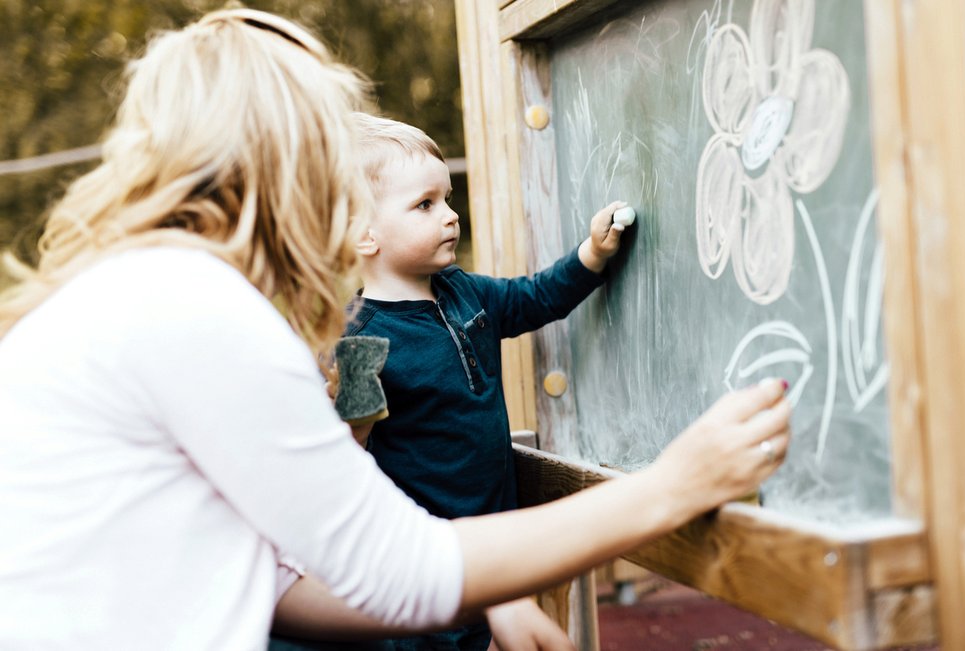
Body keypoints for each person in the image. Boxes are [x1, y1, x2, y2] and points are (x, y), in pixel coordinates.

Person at [0, 8, 792, 651]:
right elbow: (392, 568)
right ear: (289, 159)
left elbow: (279, 584)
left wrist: (485, 586)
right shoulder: (197, 307)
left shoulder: (144, 291)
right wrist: (672, 486)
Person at [330, 112, 631, 651]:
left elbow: (536, 297)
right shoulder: (359, 337)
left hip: (499, 546)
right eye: (425, 205)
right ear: (364, 234)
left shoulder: (465, 292)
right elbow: (349, 466)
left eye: (446, 198)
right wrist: (353, 413)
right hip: (428, 569)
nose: (450, 216)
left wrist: (594, 255)